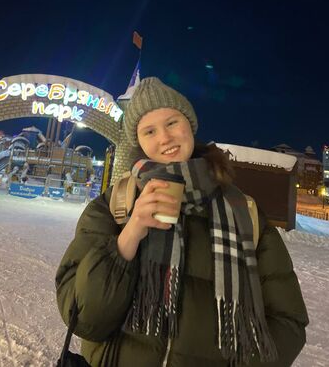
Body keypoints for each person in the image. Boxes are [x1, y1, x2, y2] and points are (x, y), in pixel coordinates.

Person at [56, 77, 308, 366]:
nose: (164, 138)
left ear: (190, 125)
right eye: (149, 131)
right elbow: (84, 319)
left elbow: (288, 321)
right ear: (138, 140)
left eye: (172, 122)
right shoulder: (113, 206)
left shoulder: (243, 211)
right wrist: (129, 235)